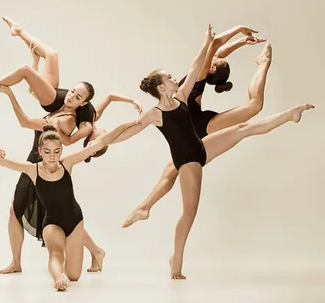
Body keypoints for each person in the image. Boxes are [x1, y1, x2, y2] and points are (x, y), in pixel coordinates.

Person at [107, 24, 314, 279]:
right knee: (187, 203)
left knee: (240, 128)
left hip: (198, 138)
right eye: (168, 77)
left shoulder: (188, 87)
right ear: (162, 86)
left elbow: (205, 56)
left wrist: (221, 39)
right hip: (191, 145)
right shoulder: (166, 103)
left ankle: (289, 114)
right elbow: (129, 130)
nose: (174, 77)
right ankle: (172, 255)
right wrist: (102, 143)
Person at [0, 17, 105, 274]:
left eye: (78, 97)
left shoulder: (66, 121)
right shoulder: (62, 103)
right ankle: (20, 32)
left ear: (83, 104)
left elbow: (31, 125)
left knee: (28, 211)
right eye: (73, 91)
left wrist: (4, 92)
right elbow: (33, 92)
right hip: (42, 150)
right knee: (50, 55)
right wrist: (36, 61)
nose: (73, 96)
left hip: (41, 160)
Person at [123, 25, 272, 228]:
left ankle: (263, 63)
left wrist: (239, 30)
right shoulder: (200, 75)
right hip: (197, 122)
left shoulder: (199, 73)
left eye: (217, 61)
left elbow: (216, 45)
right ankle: (144, 207)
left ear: (212, 68)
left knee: (254, 106)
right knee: (172, 168)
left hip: (197, 124)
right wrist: (241, 42)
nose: (217, 56)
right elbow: (219, 51)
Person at [0, 121, 138, 291]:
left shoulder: (67, 162)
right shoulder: (33, 170)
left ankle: (93, 255)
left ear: (61, 150)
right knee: (55, 253)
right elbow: (1, 159)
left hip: (75, 222)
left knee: (74, 275)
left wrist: (134, 123)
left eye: (56, 151)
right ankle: (57, 277)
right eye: (47, 152)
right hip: (51, 223)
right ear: (39, 151)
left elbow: (101, 142)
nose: (52, 156)